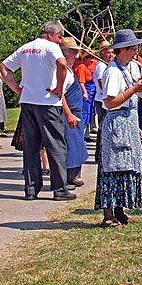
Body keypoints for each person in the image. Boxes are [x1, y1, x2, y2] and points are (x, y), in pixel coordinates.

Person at [0, 20, 75, 201]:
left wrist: (15, 88)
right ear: (50, 35)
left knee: (31, 147)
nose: (60, 41)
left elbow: (3, 67)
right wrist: (59, 87)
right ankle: (59, 189)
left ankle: (31, 189)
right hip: (48, 102)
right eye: (59, 37)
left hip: (28, 101)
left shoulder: (25, 48)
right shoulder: (51, 47)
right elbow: (62, 64)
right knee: (56, 145)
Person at [97, 29, 142, 227]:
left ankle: (120, 212)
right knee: (112, 170)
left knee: (124, 168)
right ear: (123, 49)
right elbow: (110, 102)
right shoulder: (112, 71)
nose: (136, 51)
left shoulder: (125, 68)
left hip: (126, 123)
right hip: (117, 124)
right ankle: (108, 215)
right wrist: (134, 89)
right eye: (133, 48)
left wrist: (137, 86)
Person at [58, 38, 89, 190]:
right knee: (70, 146)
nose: (77, 56)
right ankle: (67, 178)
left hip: (76, 113)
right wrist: (68, 114)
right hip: (69, 114)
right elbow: (60, 94)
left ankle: (73, 176)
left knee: (77, 145)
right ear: (64, 53)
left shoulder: (70, 70)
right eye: (73, 52)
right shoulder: (62, 71)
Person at [92, 41, 113, 145]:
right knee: (103, 126)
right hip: (101, 99)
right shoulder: (101, 66)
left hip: (103, 98)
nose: (111, 55)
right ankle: (100, 153)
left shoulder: (106, 65)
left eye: (112, 52)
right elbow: (102, 83)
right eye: (108, 52)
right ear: (102, 53)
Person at [74, 50, 98, 142]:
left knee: (89, 114)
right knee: (84, 114)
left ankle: (86, 134)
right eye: (90, 58)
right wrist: (85, 92)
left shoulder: (88, 67)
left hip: (91, 93)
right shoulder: (81, 67)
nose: (92, 60)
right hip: (86, 92)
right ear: (85, 58)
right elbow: (81, 82)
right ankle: (81, 135)